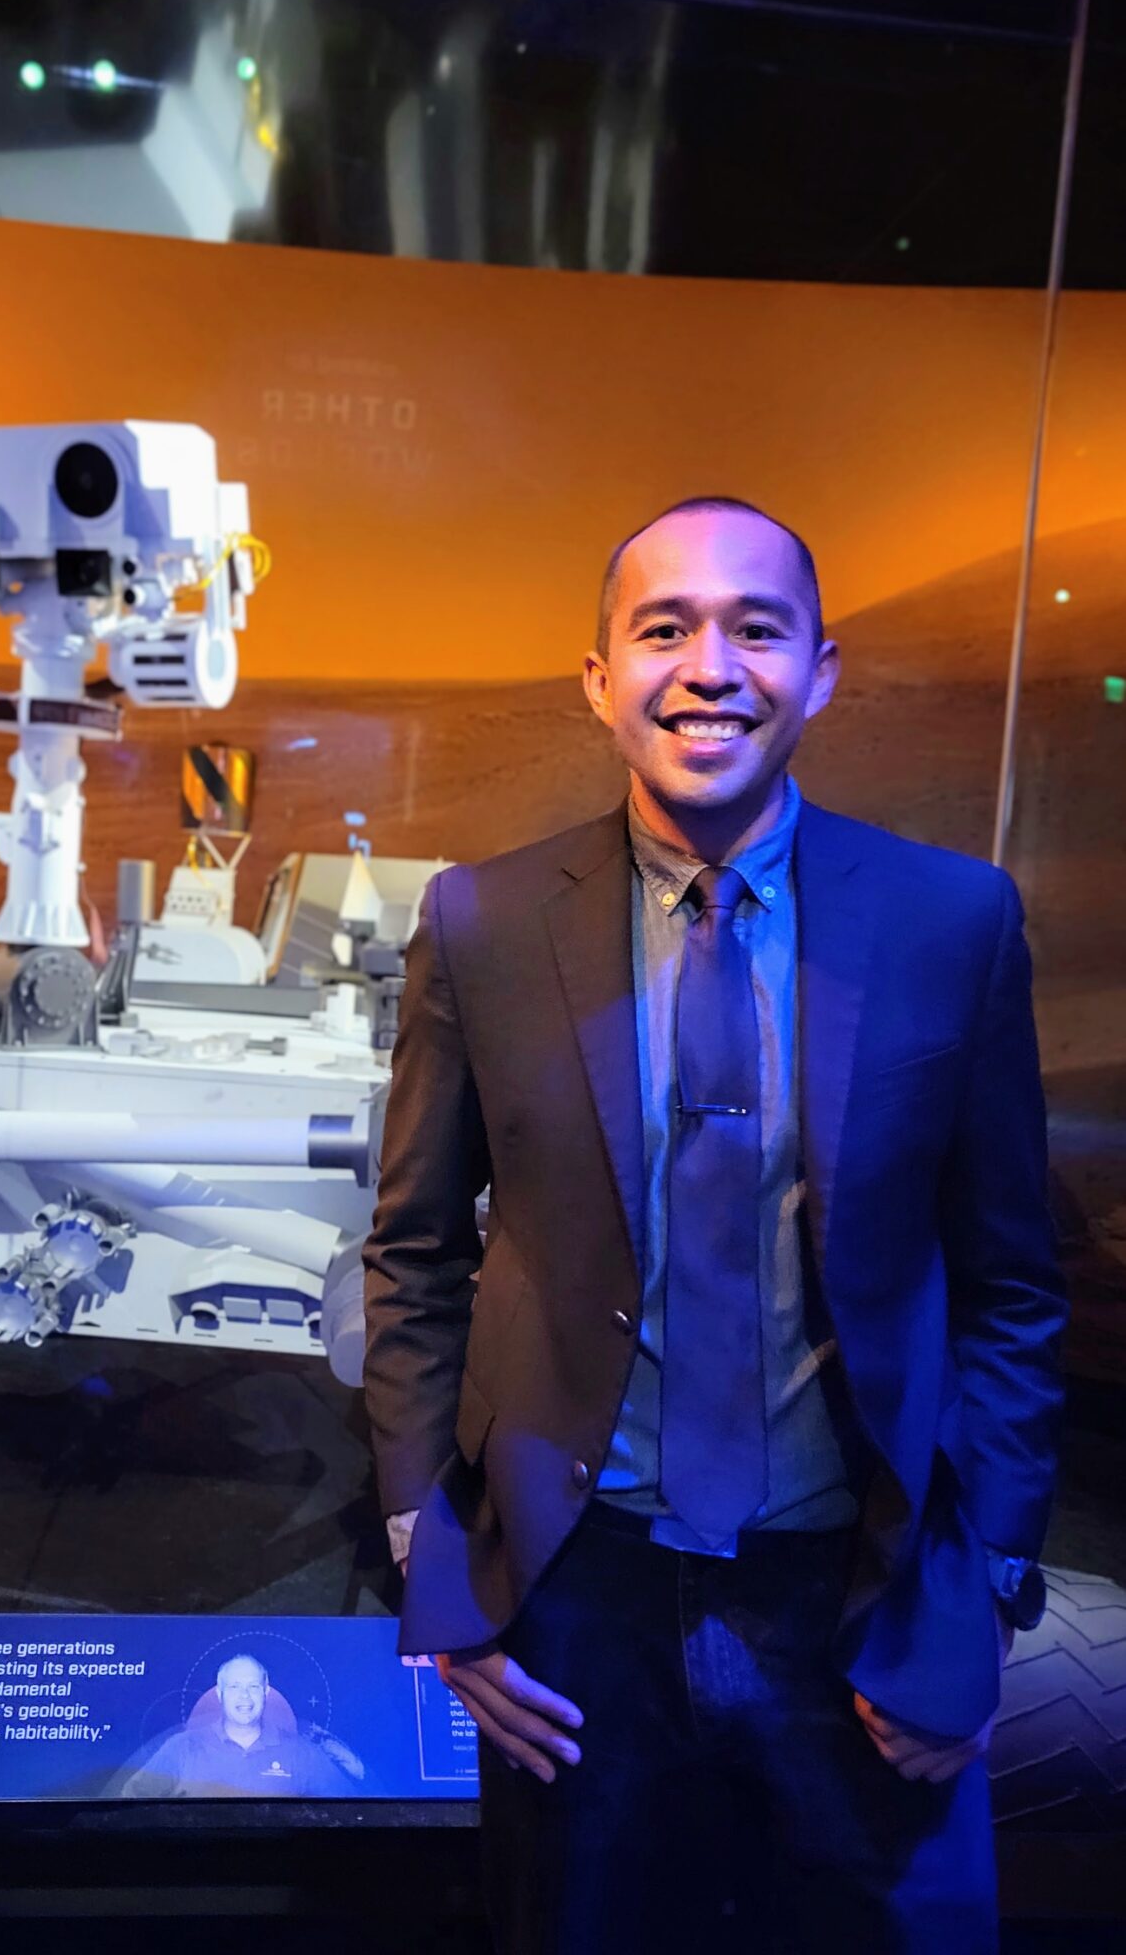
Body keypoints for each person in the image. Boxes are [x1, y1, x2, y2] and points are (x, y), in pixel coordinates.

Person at [362, 498, 1065, 1953]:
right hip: (578, 1609)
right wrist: (441, 1574)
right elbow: (416, 1257)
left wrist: (983, 1592)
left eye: (757, 628)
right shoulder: (483, 922)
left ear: (820, 670)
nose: (709, 666)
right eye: (664, 628)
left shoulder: (954, 922)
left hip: (864, 1602)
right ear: (599, 676)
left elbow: (1009, 1285)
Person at [110, 1653, 354, 1799]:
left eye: (253, 1687)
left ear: (266, 1692)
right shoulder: (183, 1748)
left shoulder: (301, 1753)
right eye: (235, 1687)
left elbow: (346, 1807)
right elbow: (131, 1801)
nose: (244, 1697)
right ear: (220, 1693)